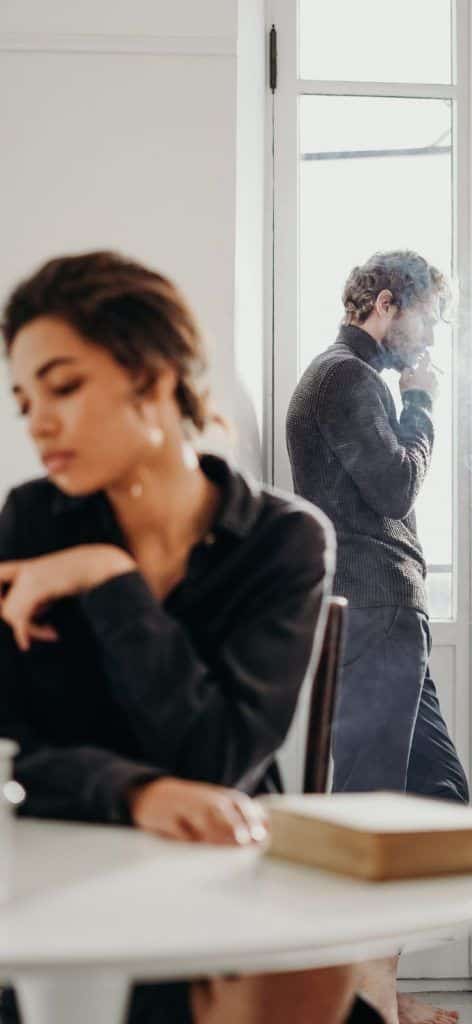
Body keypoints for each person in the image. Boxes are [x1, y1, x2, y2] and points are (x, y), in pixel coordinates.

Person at [0, 251, 381, 1024]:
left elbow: (217, 761)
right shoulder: (31, 520)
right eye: (23, 399)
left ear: (156, 380)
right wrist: (134, 791)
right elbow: (12, 748)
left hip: (222, 883)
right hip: (58, 878)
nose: (38, 421)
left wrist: (108, 578)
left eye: (63, 387)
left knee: (307, 985)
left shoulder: (284, 540)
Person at [286, 250, 469, 1024]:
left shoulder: (347, 377)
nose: (429, 337)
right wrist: (421, 403)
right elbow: (394, 486)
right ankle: (357, 1004)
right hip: (375, 611)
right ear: (387, 303)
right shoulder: (346, 376)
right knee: (371, 815)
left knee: (438, 796)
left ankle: (373, 990)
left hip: (384, 611)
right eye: (428, 317)